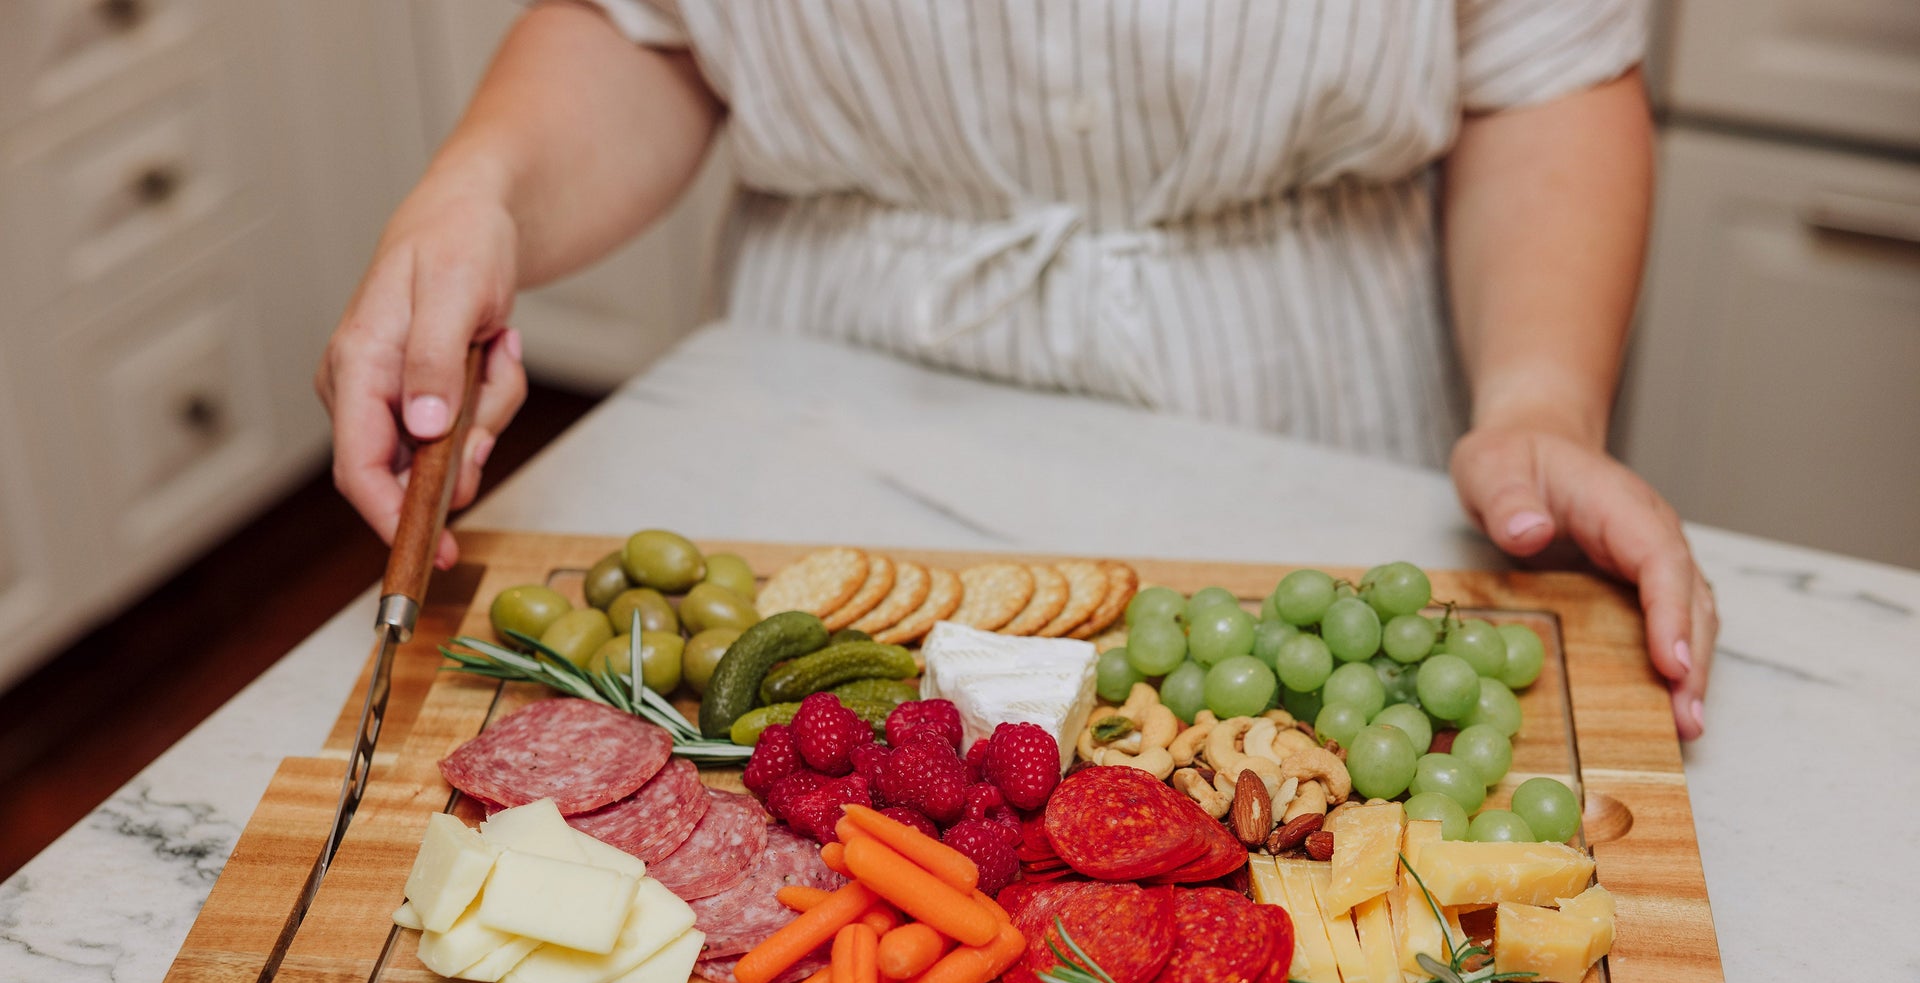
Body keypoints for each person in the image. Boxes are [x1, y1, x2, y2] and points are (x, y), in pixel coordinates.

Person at [318, 0, 1715, 738]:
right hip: (815, 405)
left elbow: (1541, 62)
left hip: (1297, 415)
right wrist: (480, 191)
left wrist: (1539, 400)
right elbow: (648, 26)